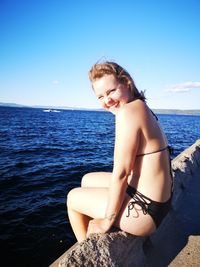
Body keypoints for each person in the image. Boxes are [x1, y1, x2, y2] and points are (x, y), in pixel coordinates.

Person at [67, 61, 173, 243]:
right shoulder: (141, 106)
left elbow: (121, 174)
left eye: (111, 91)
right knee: (86, 179)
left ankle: (87, 251)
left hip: (146, 211)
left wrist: (106, 223)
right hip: (160, 201)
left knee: (73, 198)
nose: (107, 100)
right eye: (100, 96)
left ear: (127, 83)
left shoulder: (127, 112)